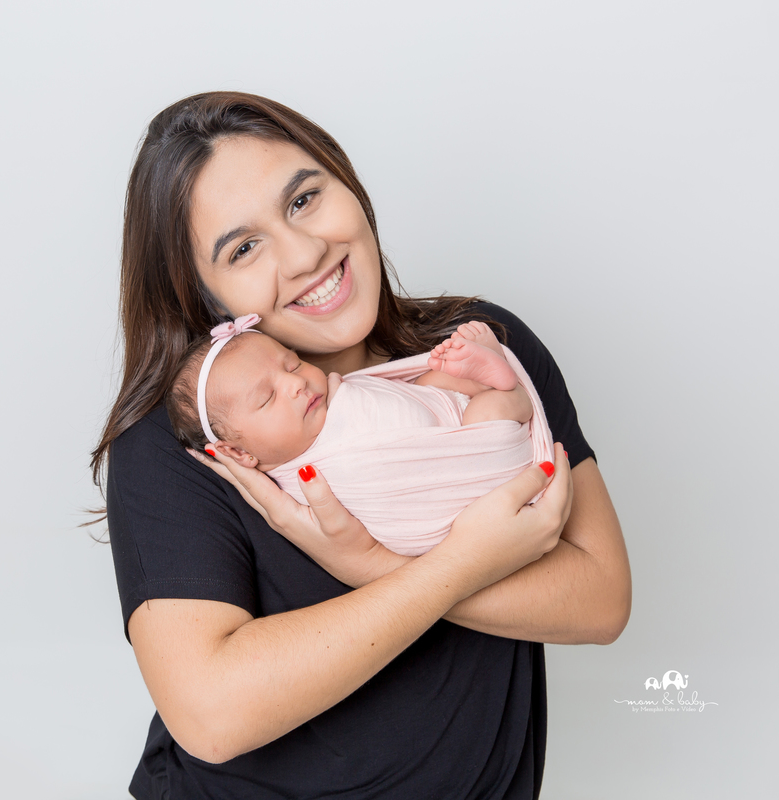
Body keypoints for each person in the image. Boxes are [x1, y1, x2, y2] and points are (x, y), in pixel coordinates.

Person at [92, 91, 631, 799]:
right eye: (244, 247)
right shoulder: (187, 446)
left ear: (347, 182)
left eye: (304, 200)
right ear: (207, 296)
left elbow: (600, 599)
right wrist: (460, 564)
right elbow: (212, 714)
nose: (306, 252)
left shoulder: (477, 351)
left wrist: (372, 566)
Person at [164, 315, 548, 556]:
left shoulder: (330, 394)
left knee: (433, 375)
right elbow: (388, 507)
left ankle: (483, 374)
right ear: (238, 452)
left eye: (292, 363)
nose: (295, 383)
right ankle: (507, 392)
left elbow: (392, 388)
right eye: (267, 397)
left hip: (439, 407)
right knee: (489, 412)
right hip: (464, 458)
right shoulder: (305, 482)